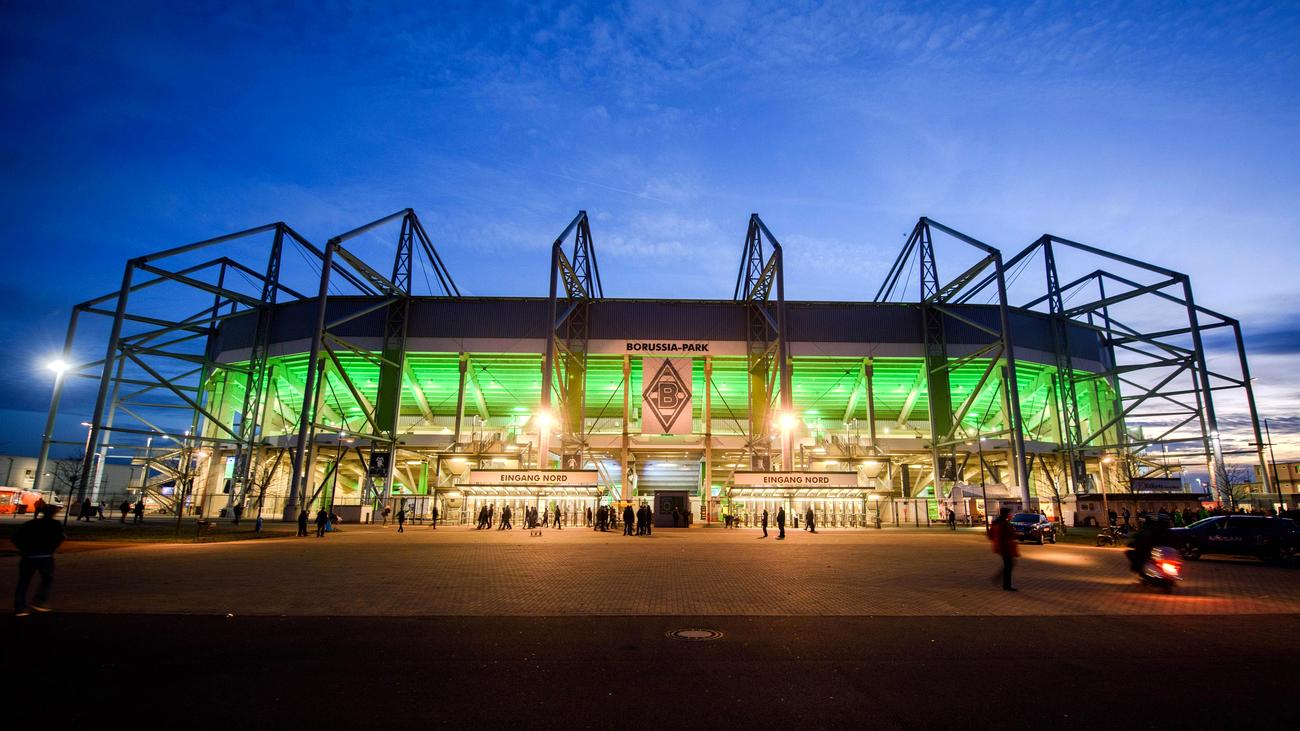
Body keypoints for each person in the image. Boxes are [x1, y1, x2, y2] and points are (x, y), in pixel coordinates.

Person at [12, 504, 65, 616]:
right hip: (45, 556)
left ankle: (19, 607)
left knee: (23, 582)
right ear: (54, 513)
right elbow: (60, 537)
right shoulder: (55, 524)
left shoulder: (31, 523)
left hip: (28, 556)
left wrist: (23, 549)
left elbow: (15, 537)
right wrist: (51, 548)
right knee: (47, 579)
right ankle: (39, 601)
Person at [988, 507, 1020, 591]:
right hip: (1006, 547)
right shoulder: (1004, 524)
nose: (1010, 515)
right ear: (1006, 514)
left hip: (1001, 547)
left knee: (1008, 564)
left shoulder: (996, 523)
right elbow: (1011, 534)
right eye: (1009, 513)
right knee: (1008, 566)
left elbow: (990, 535)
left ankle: (1003, 582)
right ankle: (1006, 584)